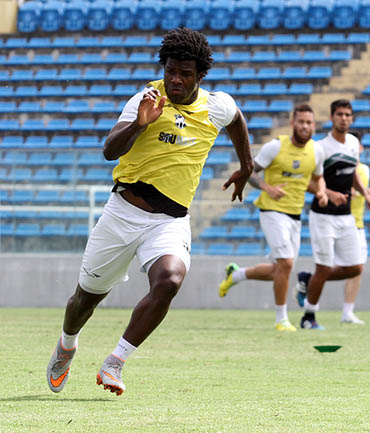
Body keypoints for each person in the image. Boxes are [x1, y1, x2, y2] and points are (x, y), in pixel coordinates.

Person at [46, 28, 253, 396]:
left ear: (199, 76)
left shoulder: (215, 105)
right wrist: (141, 124)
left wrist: (246, 165)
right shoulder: (146, 99)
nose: (175, 79)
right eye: (171, 70)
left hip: (170, 222)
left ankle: (115, 361)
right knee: (85, 300)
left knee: (170, 280)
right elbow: (110, 150)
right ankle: (66, 344)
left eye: (184, 74)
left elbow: (236, 119)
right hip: (122, 213)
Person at [217, 104, 327, 332]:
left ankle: (236, 275)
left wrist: (323, 192)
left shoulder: (317, 152)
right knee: (286, 264)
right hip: (272, 212)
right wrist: (267, 187)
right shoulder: (274, 147)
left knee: (280, 269)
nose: (305, 126)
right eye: (301, 122)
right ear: (292, 123)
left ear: (313, 125)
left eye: (309, 122)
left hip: (296, 215)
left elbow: (317, 179)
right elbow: (249, 171)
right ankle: (281, 319)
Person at [294, 100, 370, 330]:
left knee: (355, 267)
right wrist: (328, 193)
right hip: (323, 216)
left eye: (348, 115)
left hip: (346, 215)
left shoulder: (352, 143)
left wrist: (365, 194)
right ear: (332, 118)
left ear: (352, 118)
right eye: (340, 114)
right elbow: (307, 180)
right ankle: (308, 317)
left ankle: (308, 281)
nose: (344, 118)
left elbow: (352, 174)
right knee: (324, 267)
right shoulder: (321, 147)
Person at [340, 131, 370, 324]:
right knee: (330, 268)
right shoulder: (339, 167)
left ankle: (348, 312)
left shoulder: (364, 169)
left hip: (357, 225)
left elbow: (363, 191)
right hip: (338, 222)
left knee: (358, 268)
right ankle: (307, 284)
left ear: (360, 148)